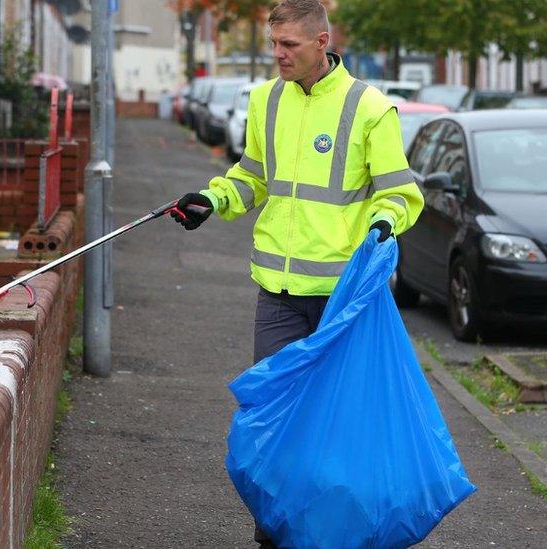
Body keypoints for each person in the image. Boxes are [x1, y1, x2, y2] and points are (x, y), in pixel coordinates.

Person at [170, 0, 424, 545]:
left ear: (323, 42)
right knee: (274, 422)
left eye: (290, 45)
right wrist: (213, 200)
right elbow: (253, 177)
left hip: (341, 302)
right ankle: (274, 533)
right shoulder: (265, 101)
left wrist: (383, 223)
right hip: (279, 294)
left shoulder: (370, 108)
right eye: (274, 44)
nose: (278, 55)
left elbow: (400, 193)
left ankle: (344, 533)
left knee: (339, 427)